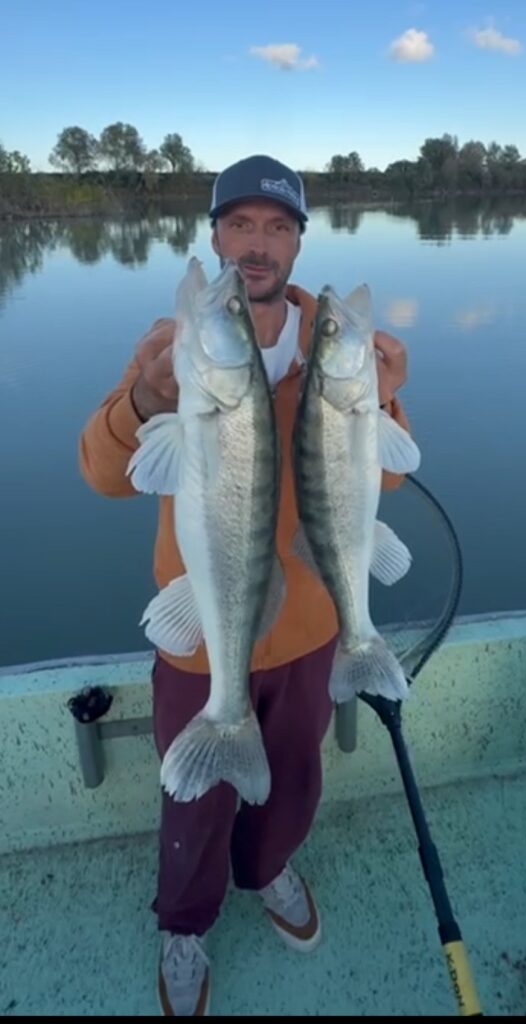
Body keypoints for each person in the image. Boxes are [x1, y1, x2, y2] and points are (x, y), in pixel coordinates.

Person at [79, 154, 413, 1016]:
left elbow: (383, 481)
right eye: (238, 225)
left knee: (293, 776)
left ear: (298, 241)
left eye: (275, 227)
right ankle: (184, 924)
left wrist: (384, 402)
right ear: (215, 234)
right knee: (191, 805)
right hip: (203, 637)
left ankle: (267, 870)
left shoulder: (337, 348)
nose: (255, 246)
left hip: (310, 629)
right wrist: (144, 399)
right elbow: (104, 476)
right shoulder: (176, 350)